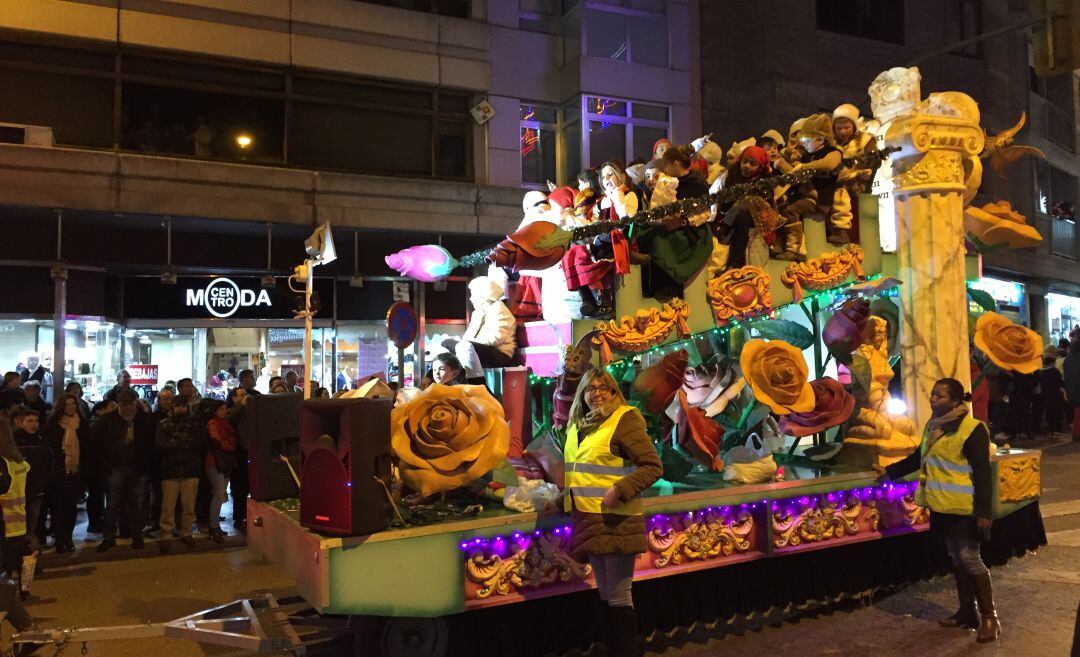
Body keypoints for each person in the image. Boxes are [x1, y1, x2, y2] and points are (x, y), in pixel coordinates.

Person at [881, 378, 999, 642]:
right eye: (933, 394)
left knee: (970, 558)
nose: (933, 399)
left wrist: (984, 512)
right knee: (956, 558)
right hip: (941, 505)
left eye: (940, 396)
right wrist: (890, 471)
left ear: (956, 401)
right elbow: (918, 457)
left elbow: (983, 473)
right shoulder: (933, 427)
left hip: (965, 508)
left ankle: (990, 618)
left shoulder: (972, 429)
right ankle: (968, 610)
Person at [562, 370, 663, 657]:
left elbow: (652, 466)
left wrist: (620, 489)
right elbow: (578, 473)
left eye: (604, 388)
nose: (597, 393)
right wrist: (561, 499)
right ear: (582, 394)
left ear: (614, 392)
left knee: (619, 596)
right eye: (590, 388)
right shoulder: (578, 426)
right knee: (605, 594)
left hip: (616, 519)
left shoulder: (624, 418)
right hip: (588, 518)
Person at [96, 388, 156, 552]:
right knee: (113, 504)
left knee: (137, 504)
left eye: (129, 404)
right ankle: (109, 537)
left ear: (135, 403)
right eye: (123, 404)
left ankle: (137, 535)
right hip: (116, 467)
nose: (126, 408)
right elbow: (99, 445)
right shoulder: (108, 420)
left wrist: (146, 465)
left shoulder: (145, 420)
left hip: (138, 467)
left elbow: (151, 445)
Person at [156, 395, 202, 553]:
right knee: (168, 505)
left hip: (189, 469)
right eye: (178, 405)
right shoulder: (163, 424)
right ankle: (167, 532)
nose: (180, 409)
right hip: (171, 470)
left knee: (189, 505)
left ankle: (186, 531)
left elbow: (197, 443)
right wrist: (183, 444)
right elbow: (161, 446)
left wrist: (174, 444)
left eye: (183, 405)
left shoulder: (194, 424)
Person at [450, 277, 517, 385]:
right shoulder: (477, 314)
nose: (471, 299)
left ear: (483, 296)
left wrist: (469, 342)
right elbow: (468, 336)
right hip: (483, 350)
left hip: (500, 354)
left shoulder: (499, 309)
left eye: (473, 294)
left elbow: (496, 339)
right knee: (449, 344)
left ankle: (474, 382)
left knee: (464, 346)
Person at [42, 393, 87, 553]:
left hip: (75, 471)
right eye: (67, 404)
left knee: (71, 507)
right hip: (58, 471)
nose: (71, 407)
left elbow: (87, 447)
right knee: (58, 508)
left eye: (73, 404)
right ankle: (60, 539)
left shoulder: (81, 423)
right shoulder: (53, 424)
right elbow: (49, 449)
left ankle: (68, 537)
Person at [10, 407, 53, 552]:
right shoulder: (13, 441)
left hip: (37, 489)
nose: (33, 424)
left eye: (36, 421)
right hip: (18, 492)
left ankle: (28, 558)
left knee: (31, 526)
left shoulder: (43, 440)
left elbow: (49, 461)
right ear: (21, 422)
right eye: (29, 421)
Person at [0, 420, 32, 595]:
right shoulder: (18, 462)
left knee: (5, 569)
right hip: (19, 521)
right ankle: (22, 591)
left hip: (5, 524)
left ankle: (10, 603)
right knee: (15, 564)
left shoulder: (2, 464)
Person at [204, 400, 236, 543]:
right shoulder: (213, 423)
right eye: (221, 409)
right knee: (218, 492)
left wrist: (228, 443)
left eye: (225, 409)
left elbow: (231, 440)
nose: (224, 411)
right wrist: (228, 444)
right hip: (215, 461)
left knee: (219, 493)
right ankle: (213, 526)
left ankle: (214, 524)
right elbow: (218, 441)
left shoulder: (226, 423)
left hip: (224, 461)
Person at [1036, 348, 1065, 435]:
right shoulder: (1055, 371)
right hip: (1055, 394)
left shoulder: (1041, 372)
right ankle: (1055, 429)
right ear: (1052, 363)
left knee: (1047, 412)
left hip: (1044, 395)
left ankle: (1048, 428)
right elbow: (1060, 382)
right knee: (1056, 412)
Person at [1066, 336, 1080, 443]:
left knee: (1077, 412)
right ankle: (1076, 434)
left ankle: (1076, 434)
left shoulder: (1069, 359)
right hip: (1077, 389)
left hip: (1071, 389)